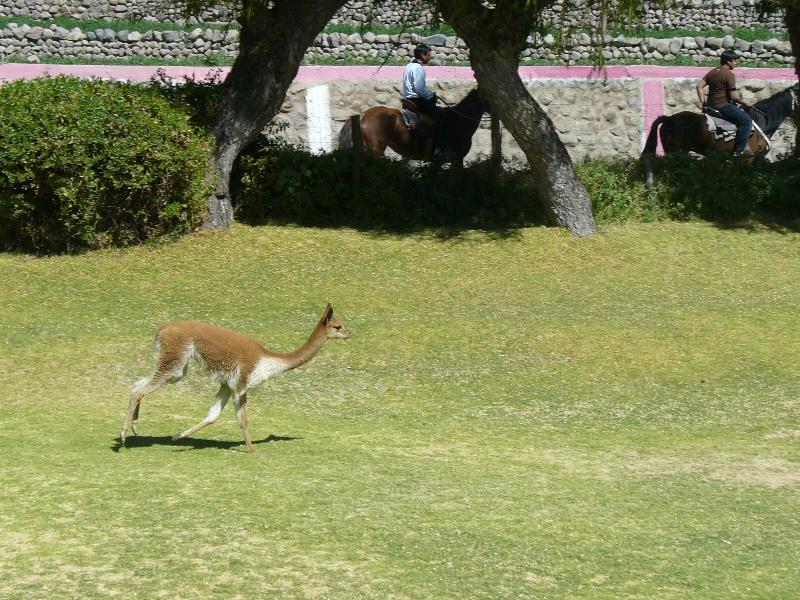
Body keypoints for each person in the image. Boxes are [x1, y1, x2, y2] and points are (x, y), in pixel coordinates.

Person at [696, 49, 753, 155]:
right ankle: (738, 151)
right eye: (734, 60)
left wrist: (703, 104)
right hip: (723, 106)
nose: (735, 63)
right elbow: (733, 96)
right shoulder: (729, 74)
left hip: (710, 107)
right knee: (746, 121)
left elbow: (699, 86)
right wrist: (744, 103)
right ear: (728, 62)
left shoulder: (713, 72)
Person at [402, 44, 453, 159]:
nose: (430, 57)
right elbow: (419, 88)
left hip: (407, 99)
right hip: (417, 100)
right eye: (429, 54)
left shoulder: (408, 66)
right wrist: (431, 96)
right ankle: (440, 150)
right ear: (423, 55)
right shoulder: (418, 68)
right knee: (444, 118)